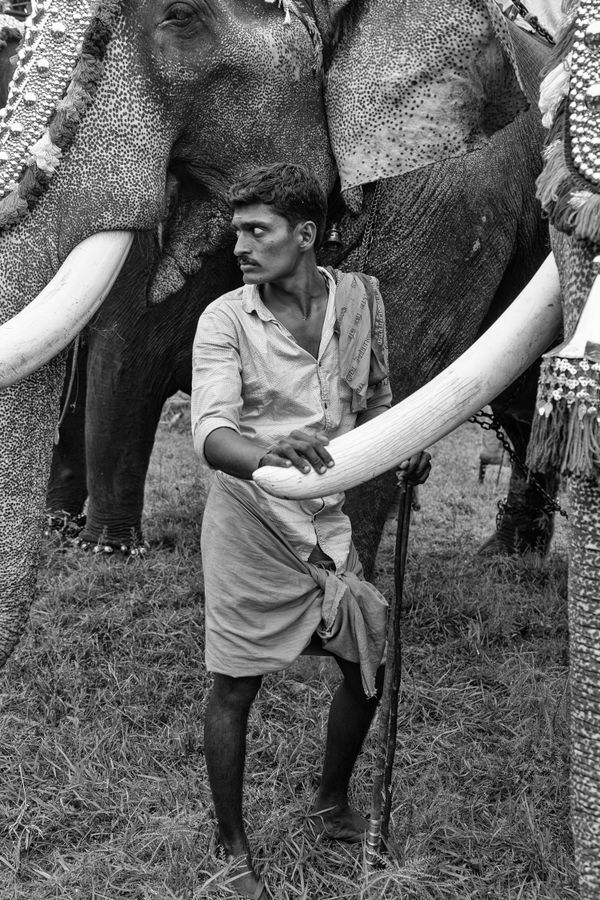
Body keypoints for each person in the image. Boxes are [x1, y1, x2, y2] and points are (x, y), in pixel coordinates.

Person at [191, 162, 430, 899]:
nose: (242, 246)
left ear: (306, 234)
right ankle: (232, 845)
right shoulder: (226, 318)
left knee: (367, 660)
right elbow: (210, 432)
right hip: (250, 523)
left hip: (328, 524)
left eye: (257, 231)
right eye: (237, 232)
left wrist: (402, 448)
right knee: (234, 686)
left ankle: (330, 800)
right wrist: (268, 455)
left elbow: (381, 397)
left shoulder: (361, 300)